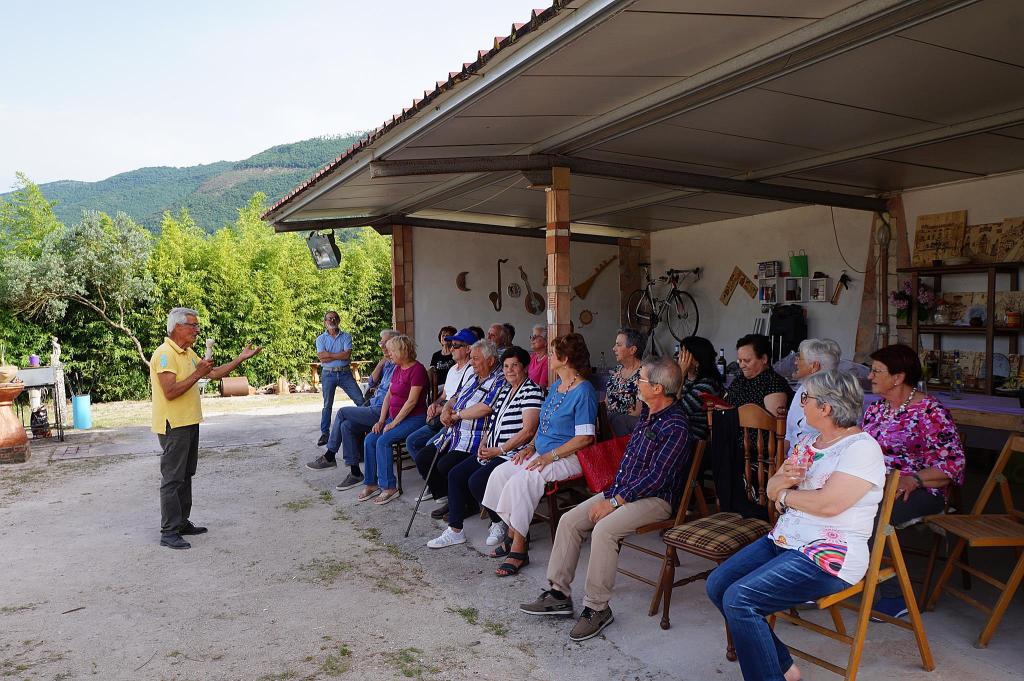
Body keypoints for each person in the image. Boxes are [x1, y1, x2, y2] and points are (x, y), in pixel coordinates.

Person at [706, 370, 885, 681]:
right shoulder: (808, 442)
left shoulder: (861, 448)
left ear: (826, 407)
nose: (800, 404)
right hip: (786, 540)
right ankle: (782, 667)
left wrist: (786, 496)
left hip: (829, 554)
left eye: (805, 398)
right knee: (719, 585)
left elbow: (828, 505)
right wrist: (783, 493)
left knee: (739, 599)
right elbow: (772, 489)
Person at [520, 357, 692, 641]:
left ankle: (597, 608)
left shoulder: (676, 425)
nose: (636, 383)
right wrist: (613, 495)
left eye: (641, 379)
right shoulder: (649, 413)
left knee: (604, 530)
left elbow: (657, 478)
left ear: (658, 389)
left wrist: (613, 502)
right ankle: (558, 594)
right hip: (624, 491)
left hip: (656, 499)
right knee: (569, 521)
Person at [482, 333, 598, 576]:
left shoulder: (584, 391)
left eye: (553, 354)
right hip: (544, 453)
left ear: (565, 359)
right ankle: (512, 532)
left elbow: (585, 438)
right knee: (501, 473)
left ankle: (519, 548)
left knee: (523, 480)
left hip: (570, 457)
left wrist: (550, 456)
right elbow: (542, 426)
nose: (548, 357)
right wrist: (531, 447)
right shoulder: (556, 387)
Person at [862, 343, 964, 618]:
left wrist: (913, 480)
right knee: (832, 501)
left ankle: (895, 596)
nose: (870, 376)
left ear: (898, 377)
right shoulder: (876, 409)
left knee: (873, 517)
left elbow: (952, 464)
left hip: (923, 489)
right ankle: (832, 575)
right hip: (878, 484)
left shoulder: (931, 411)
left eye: (877, 371)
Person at [150, 307, 261, 550]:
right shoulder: (165, 354)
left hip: (189, 422)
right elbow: (170, 392)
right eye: (193, 325)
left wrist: (240, 358)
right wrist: (197, 374)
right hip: (174, 424)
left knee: (186, 474)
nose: (197, 330)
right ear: (177, 327)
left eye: (197, 325)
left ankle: (181, 523)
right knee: (173, 478)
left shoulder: (187, 352)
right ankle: (169, 531)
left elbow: (213, 373)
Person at [427, 346, 543, 549]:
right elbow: (493, 422)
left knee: (477, 480)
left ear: (525, 367)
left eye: (515, 365)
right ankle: (455, 531)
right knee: (456, 474)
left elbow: (528, 430)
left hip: (513, 453)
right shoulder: (506, 390)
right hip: (493, 448)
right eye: (506, 366)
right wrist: (484, 442)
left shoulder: (532, 391)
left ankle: (501, 522)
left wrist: (500, 450)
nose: (509, 370)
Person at [413, 339, 504, 517]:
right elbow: (455, 396)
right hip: (454, 433)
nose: (472, 362)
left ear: (491, 360)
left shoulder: (499, 380)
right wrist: (446, 409)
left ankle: (466, 504)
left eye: (476, 359)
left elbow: (486, 407)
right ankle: (451, 498)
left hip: (475, 437)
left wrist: (457, 415)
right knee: (424, 457)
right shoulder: (472, 376)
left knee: (445, 464)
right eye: (471, 358)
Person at [306, 329, 398, 483]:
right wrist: (382, 362)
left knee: (342, 413)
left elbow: (393, 396)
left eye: (385, 343)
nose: (382, 346)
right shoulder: (388, 363)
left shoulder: (399, 366)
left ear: (396, 344)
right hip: (374, 405)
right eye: (381, 343)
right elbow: (371, 383)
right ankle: (355, 473)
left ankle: (330, 455)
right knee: (346, 425)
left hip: (383, 411)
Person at [357, 335, 428, 505]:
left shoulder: (417, 370)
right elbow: (388, 396)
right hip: (394, 418)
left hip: (414, 418)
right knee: (370, 439)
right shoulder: (397, 368)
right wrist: (382, 421)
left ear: (402, 351)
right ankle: (371, 484)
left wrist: (394, 423)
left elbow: (412, 402)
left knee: (383, 441)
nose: (388, 354)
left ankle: (389, 487)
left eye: (391, 351)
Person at [405, 328, 475, 465]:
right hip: (440, 415)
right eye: (451, 345)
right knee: (411, 441)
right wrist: (434, 404)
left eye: (456, 345)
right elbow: (444, 395)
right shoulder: (452, 369)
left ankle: (433, 472)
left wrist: (441, 409)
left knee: (430, 447)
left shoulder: (472, 370)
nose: (451, 348)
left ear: (468, 349)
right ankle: (430, 473)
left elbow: (464, 401)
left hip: (453, 419)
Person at [316, 311, 364, 447]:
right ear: (325, 322)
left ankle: (367, 426)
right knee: (327, 405)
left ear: (339, 320)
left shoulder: (346, 336)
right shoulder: (320, 339)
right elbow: (322, 358)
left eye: (335, 318)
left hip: (345, 373)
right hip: (328, 374)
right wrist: (339, 354)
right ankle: (325, 433)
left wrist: (329, 355)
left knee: (360, 400)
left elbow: (346, 356)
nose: (332, 320)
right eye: (329, 318)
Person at [786, 338, 841, 450]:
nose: (795, 362)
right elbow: (789, 434)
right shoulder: (803, 389)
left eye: (799, 358)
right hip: (792, 457)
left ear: (814, 366)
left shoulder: (833, 397)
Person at [726, 334, 792, 414]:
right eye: (740, 361)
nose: (742, 365)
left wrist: (732, 414)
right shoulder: (739, 379)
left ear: (764, 359)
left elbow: (773, 420)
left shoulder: (774, 384)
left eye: (747, 361)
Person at [675, 335, 724, 441]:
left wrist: (681, 374)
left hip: (692, 436)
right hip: (678, 430)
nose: (679, 356)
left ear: (696, 361)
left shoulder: (707, 385)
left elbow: (677, 412)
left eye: (684, 353)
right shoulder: (687, 379)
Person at [605, 328, 644, 436]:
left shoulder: (644, 373)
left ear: (632, 350)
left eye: (618, 345)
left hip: (629, 432)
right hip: (608, 429)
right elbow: (606, 402)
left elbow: (638, 412)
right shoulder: (616, 371)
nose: (614, 348)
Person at [527, 325, 549, 390]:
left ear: (546, 342)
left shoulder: (547, 361)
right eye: (532, 336)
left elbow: (541, 388)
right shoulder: (533, 356)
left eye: (536, 337)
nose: (532, 339)